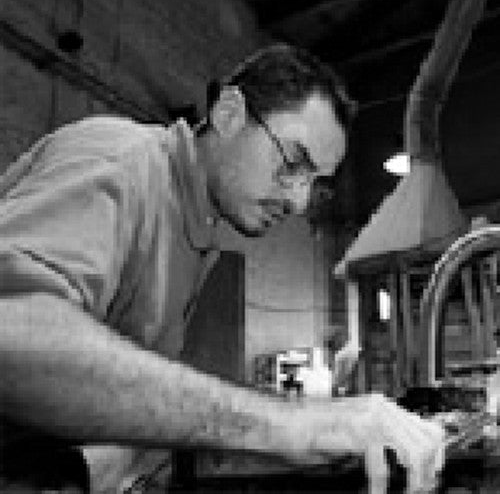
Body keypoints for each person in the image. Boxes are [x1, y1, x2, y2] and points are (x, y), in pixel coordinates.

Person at [0, 44, 444, 492]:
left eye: (315, 184)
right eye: (293, 163)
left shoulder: (193, 228)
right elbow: (12, 331)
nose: (298, 202)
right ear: (229, 113)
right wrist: (293, 425)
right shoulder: (121, 160)